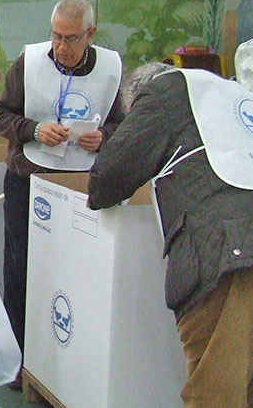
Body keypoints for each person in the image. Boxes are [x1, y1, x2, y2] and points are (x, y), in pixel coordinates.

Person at [87, 61, 253, 407]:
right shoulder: (230, 96)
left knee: (215, 393)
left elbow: (107, 178)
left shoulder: (165, 90)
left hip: (229, 261)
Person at [0, 0, 123, 389]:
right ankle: (19, 357)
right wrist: (33, 130)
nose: (61, 47)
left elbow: (124, 125)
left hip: (80, 186)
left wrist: (105, 138)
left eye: (70, 38)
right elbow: (0, 114)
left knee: (73, 274)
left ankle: (64, 360)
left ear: (90, 35)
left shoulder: (112, 69)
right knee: (20, 270)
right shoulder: (29, 62)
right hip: (27, 180)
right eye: (56, 36)